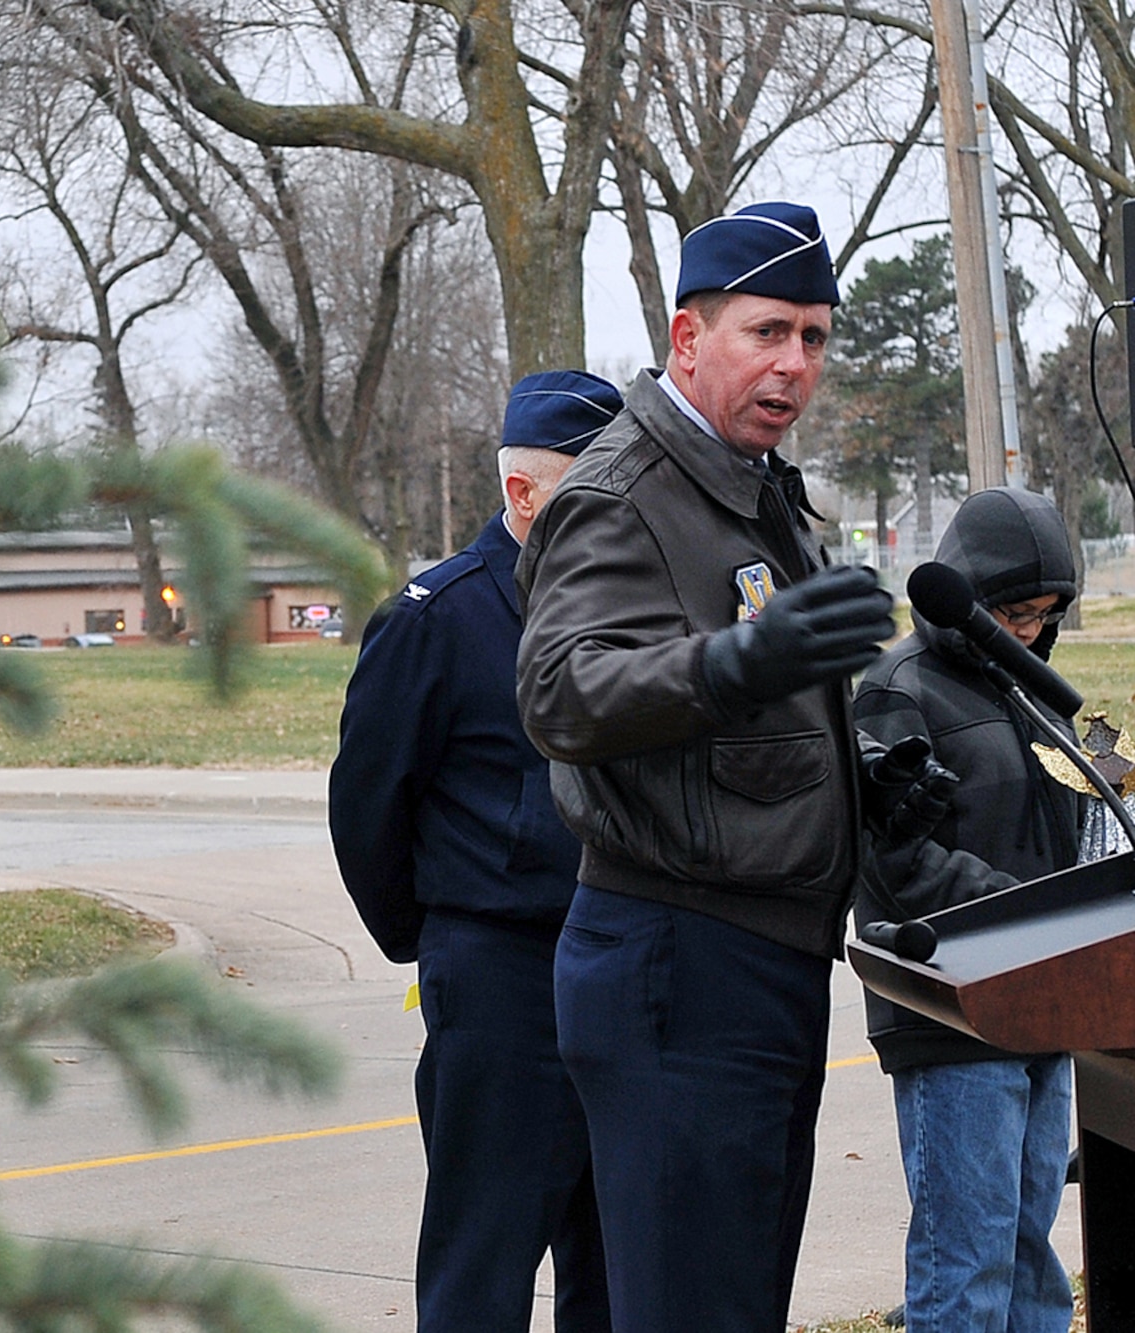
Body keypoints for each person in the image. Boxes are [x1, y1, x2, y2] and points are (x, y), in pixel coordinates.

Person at [512, 202, 930, 1330]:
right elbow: (560, 693)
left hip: (756, 960)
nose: (793, 364)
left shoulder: (753, 485)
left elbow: (759, 711)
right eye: (765, 332)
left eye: (814, 337)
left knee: (728, 1305)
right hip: (675, 965)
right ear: (686, 338)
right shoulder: (622, 492)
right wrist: (736, 660)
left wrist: (862, 772)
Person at [330, 370, 623, 1332]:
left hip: (620, 959)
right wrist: (438, 938)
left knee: (614, 1259)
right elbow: (368, 804)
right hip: (502, 974)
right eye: (594, 485)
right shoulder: (438, 617)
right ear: (522, 494)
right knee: (484, 1256)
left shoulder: (630, 605)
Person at [855, 487, 1080, 1333]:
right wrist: (1028, 907)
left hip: (1046, 999)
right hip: (953, 1016)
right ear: (968, 593)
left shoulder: (1025, 693)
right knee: (969, 1261)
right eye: (1013, 611)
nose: (1026, 631)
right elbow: (894, 860)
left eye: (1044, 614)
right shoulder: (898, 690)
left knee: (1032, 1257)